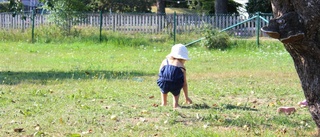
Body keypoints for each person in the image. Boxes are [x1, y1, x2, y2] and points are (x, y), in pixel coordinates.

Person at [157, 44, 192, 108]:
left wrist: (162, 81)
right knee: (177, 87)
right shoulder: (182, 66)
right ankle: (175, 104)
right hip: (175, 84)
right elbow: (184, 83)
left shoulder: (165, 61)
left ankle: (164, 103)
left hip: (163, 82)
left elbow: (160, 74)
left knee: (163, 85)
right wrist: (186, 97)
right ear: (183, 58)